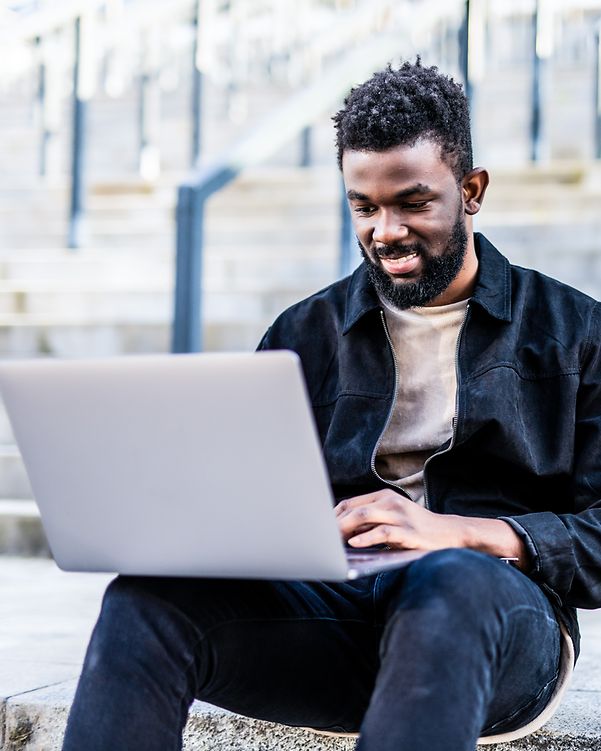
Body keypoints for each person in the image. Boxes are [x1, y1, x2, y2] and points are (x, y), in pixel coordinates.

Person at [62, 60, 601, 751]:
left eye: (412, 202)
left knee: (450, 578)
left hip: (490, 623)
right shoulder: (300, 336)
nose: (385, 230)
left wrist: (462, 532)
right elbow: (247, 506)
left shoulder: (573, 332)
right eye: (364, 206)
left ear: (470, 190)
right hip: (339, 620)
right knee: (146, 597)